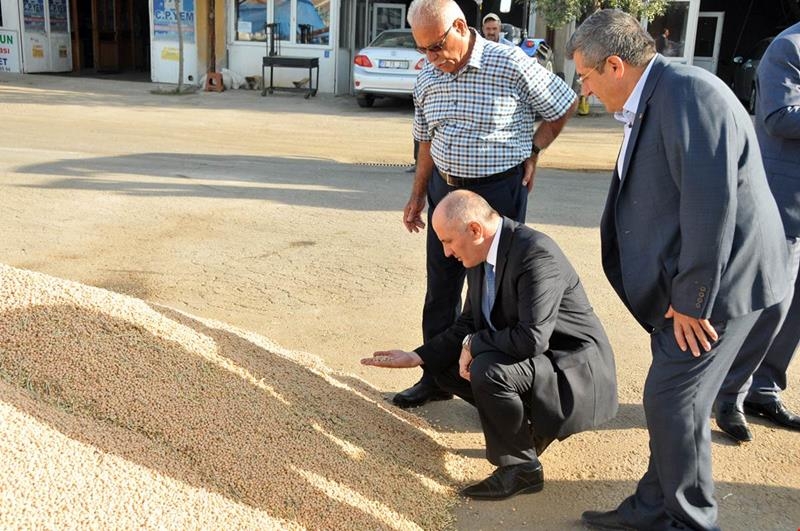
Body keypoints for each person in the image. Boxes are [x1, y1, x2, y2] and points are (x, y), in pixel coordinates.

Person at [566, 9, 789, 531]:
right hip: (690, 285)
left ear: (615, 65)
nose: (586, 88)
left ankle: (690, 520)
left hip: (720, 291)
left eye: (586, 75)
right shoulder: (660, 92)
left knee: (674, 402)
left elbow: (710, 206)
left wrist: (692, 301)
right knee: (671, 401)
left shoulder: (688, 94)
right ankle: (652, 506)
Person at [363, 190, 618, 500]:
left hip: (572, 370)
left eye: (447, 241)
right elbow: (468, 324)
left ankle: (521, 468)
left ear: (474, 230)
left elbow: (531, 339)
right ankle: (526, 428)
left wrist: (474, 343)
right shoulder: (481, 252)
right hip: (538, 361)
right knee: (441, 363)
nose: (446, 253)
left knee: (488, 368)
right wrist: (417, 356)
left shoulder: (535, 254)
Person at [394, 0, 577, 409]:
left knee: (496, 293)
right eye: (422, 49)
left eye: (437, 47)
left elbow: (562, 103)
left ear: (460, 26)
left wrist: (535, 149)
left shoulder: (509, 63)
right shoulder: (427, 77)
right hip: (446, 190)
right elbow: (425, 138)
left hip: (498, 193)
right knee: (440, 287)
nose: (431, 58)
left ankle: (499, 387)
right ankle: (437, 377)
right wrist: (418, 193)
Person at [714, 20, 800, 443]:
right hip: (784, 203)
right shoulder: (788, 47)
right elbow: (779, 118)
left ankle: (764, 389)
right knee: (769, 306)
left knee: (794, 309)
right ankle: (729, 394)